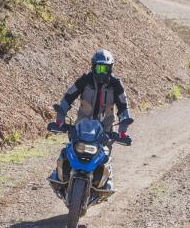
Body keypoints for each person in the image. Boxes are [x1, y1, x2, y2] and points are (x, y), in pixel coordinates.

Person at [51, 49, 132, 193]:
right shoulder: (85, 79)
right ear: (92, 66)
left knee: (105, 156)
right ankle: (60, 175)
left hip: (105, 126)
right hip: (83, 124)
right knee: (70, 149)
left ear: (110, 68)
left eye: (105, 68)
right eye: (98, 68)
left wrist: (124, 123)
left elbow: (123, 105)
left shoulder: (116, 84)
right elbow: (69, 96)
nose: (101, 72)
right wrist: (61, 114)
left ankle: (106, 180)